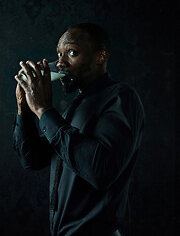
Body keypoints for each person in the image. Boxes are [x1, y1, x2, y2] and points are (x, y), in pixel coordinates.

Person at [13, 23, 145, 236]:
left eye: (72, 53)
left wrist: (43, 109)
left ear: (100, 57)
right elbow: (32, 159)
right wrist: (25, 109)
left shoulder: (120, 97)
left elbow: (100, 171)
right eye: (59, 54)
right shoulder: (74, 109)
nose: (61, 63)